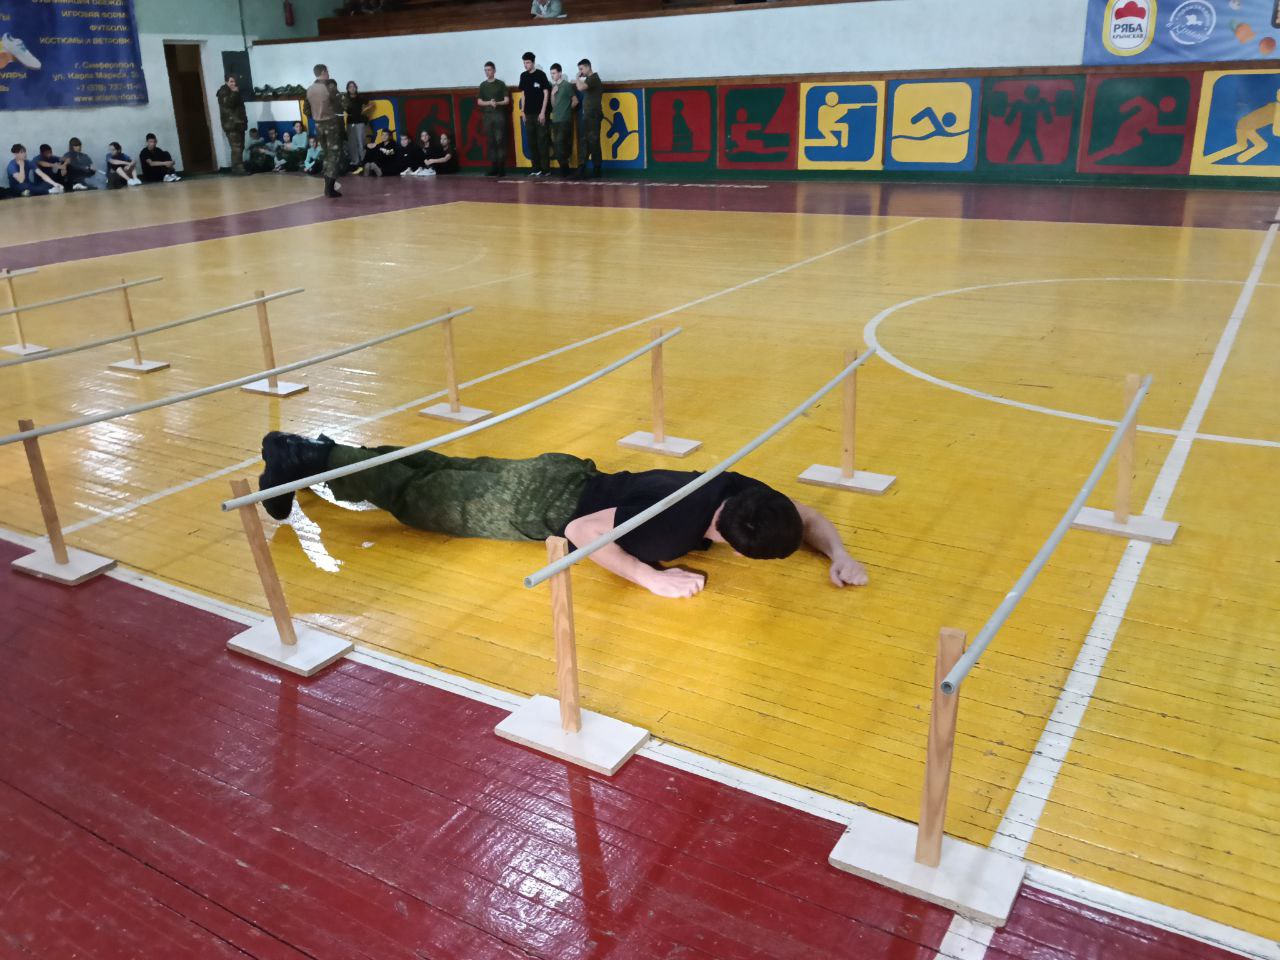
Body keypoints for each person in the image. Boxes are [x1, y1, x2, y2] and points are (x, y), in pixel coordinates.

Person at [256, 432, 870, 598]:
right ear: (733, 545)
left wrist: (837, 552)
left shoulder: (743, 489)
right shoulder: (673, 529)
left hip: (561, 471)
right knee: (418, 498)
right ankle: (307, 459)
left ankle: (318, 454)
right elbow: (582, 533)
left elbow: (805, 516)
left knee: (435, 469)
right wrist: (651, 578)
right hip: (539, 505)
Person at [306, 64, 345, 198]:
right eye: (327, 71)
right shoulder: (329, 87)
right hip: (331, 124)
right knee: (334, 155)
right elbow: (343, 103)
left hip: (318, 125)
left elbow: (306, 110)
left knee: (326, 154)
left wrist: (317, 113)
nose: (328, 74)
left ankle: (327, 186)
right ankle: (330, 188)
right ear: (323, 72)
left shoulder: (309, 89)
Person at [518, 52, 551, 177]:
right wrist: (523, 111)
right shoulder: (523, 76)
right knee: (531, 142)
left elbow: (546, 94)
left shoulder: (541, 75)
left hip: (540, 113)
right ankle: (536, 168)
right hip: (528, 114)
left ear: (533, 62)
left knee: (542, 142)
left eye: (527, 62)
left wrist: (543, 112)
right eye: (524, 63)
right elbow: (523, 94)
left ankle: (546, 169)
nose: (525, 65)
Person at [477, 61, 510, 177]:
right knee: (491, 142)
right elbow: (479, 101)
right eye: (485, 70)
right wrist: (489, 103)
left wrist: (497, 103)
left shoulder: (500, 84)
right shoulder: (483, 85)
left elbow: (507, 100)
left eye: (489, 70)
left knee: (499, 141)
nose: (487, 72)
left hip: (499, 116)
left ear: (494, 71)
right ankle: (493, 167)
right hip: (487, 116)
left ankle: (501, 168)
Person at [575, 58, 603, 178]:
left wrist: (577, 77)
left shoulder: (594, 78)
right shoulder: (588, 79)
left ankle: (596, 169)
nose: (580, 71)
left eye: (581, 69)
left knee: (593, 141)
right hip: (588, 115)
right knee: (585, 141)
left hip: (593, 115)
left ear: (588, 67)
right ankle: (582, 168)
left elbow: (580, 88)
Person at [548, 63, 577, 175]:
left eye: (554, 73)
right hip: (555, 120)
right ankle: (564, 168)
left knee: (560, 142)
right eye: (551, 74)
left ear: (560, 73)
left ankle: (565, 168)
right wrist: (552, 94)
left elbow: (575, 101)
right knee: (556, 144)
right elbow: (553, 105)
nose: (552, 75)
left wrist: (567, 110)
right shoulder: (553, 87)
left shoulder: (566, 85)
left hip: (564, 120)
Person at [217, 74, 248, 174]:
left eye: (234, 81)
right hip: (231, 125)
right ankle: (238, 169)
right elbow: (228, 104)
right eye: (231, 81)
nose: (233, 83)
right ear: (226, 82)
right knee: (236, 147)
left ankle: (236, 168)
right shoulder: (223, 91)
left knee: (240, 146)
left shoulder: (234, 92)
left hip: (238, 124)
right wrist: (234, 93)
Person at [344, 80, 372, 168]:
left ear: (356, 88)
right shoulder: (345, 99)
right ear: (347, 89)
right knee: (352, 143)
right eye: (350, 87)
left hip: (360, 122)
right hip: (350, 123)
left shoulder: (360, 98)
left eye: (353, 87)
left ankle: (363, 161)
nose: (352, 88)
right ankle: (355, 161)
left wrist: (365, 110)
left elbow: (372, 104)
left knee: (361, 141)